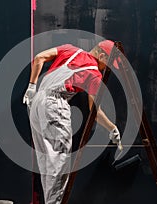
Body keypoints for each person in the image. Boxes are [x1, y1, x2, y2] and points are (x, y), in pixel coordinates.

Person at [23, 40, 121, 204]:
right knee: (59, 162)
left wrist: (32, 86)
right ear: (102, 55)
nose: (108, 68)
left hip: (36, 102)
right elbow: (95, 112)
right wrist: (112, 128)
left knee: (46, 160)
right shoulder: (95, 74)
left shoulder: (70, 49)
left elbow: (39, 57)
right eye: (109, 64)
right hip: (56, 105)